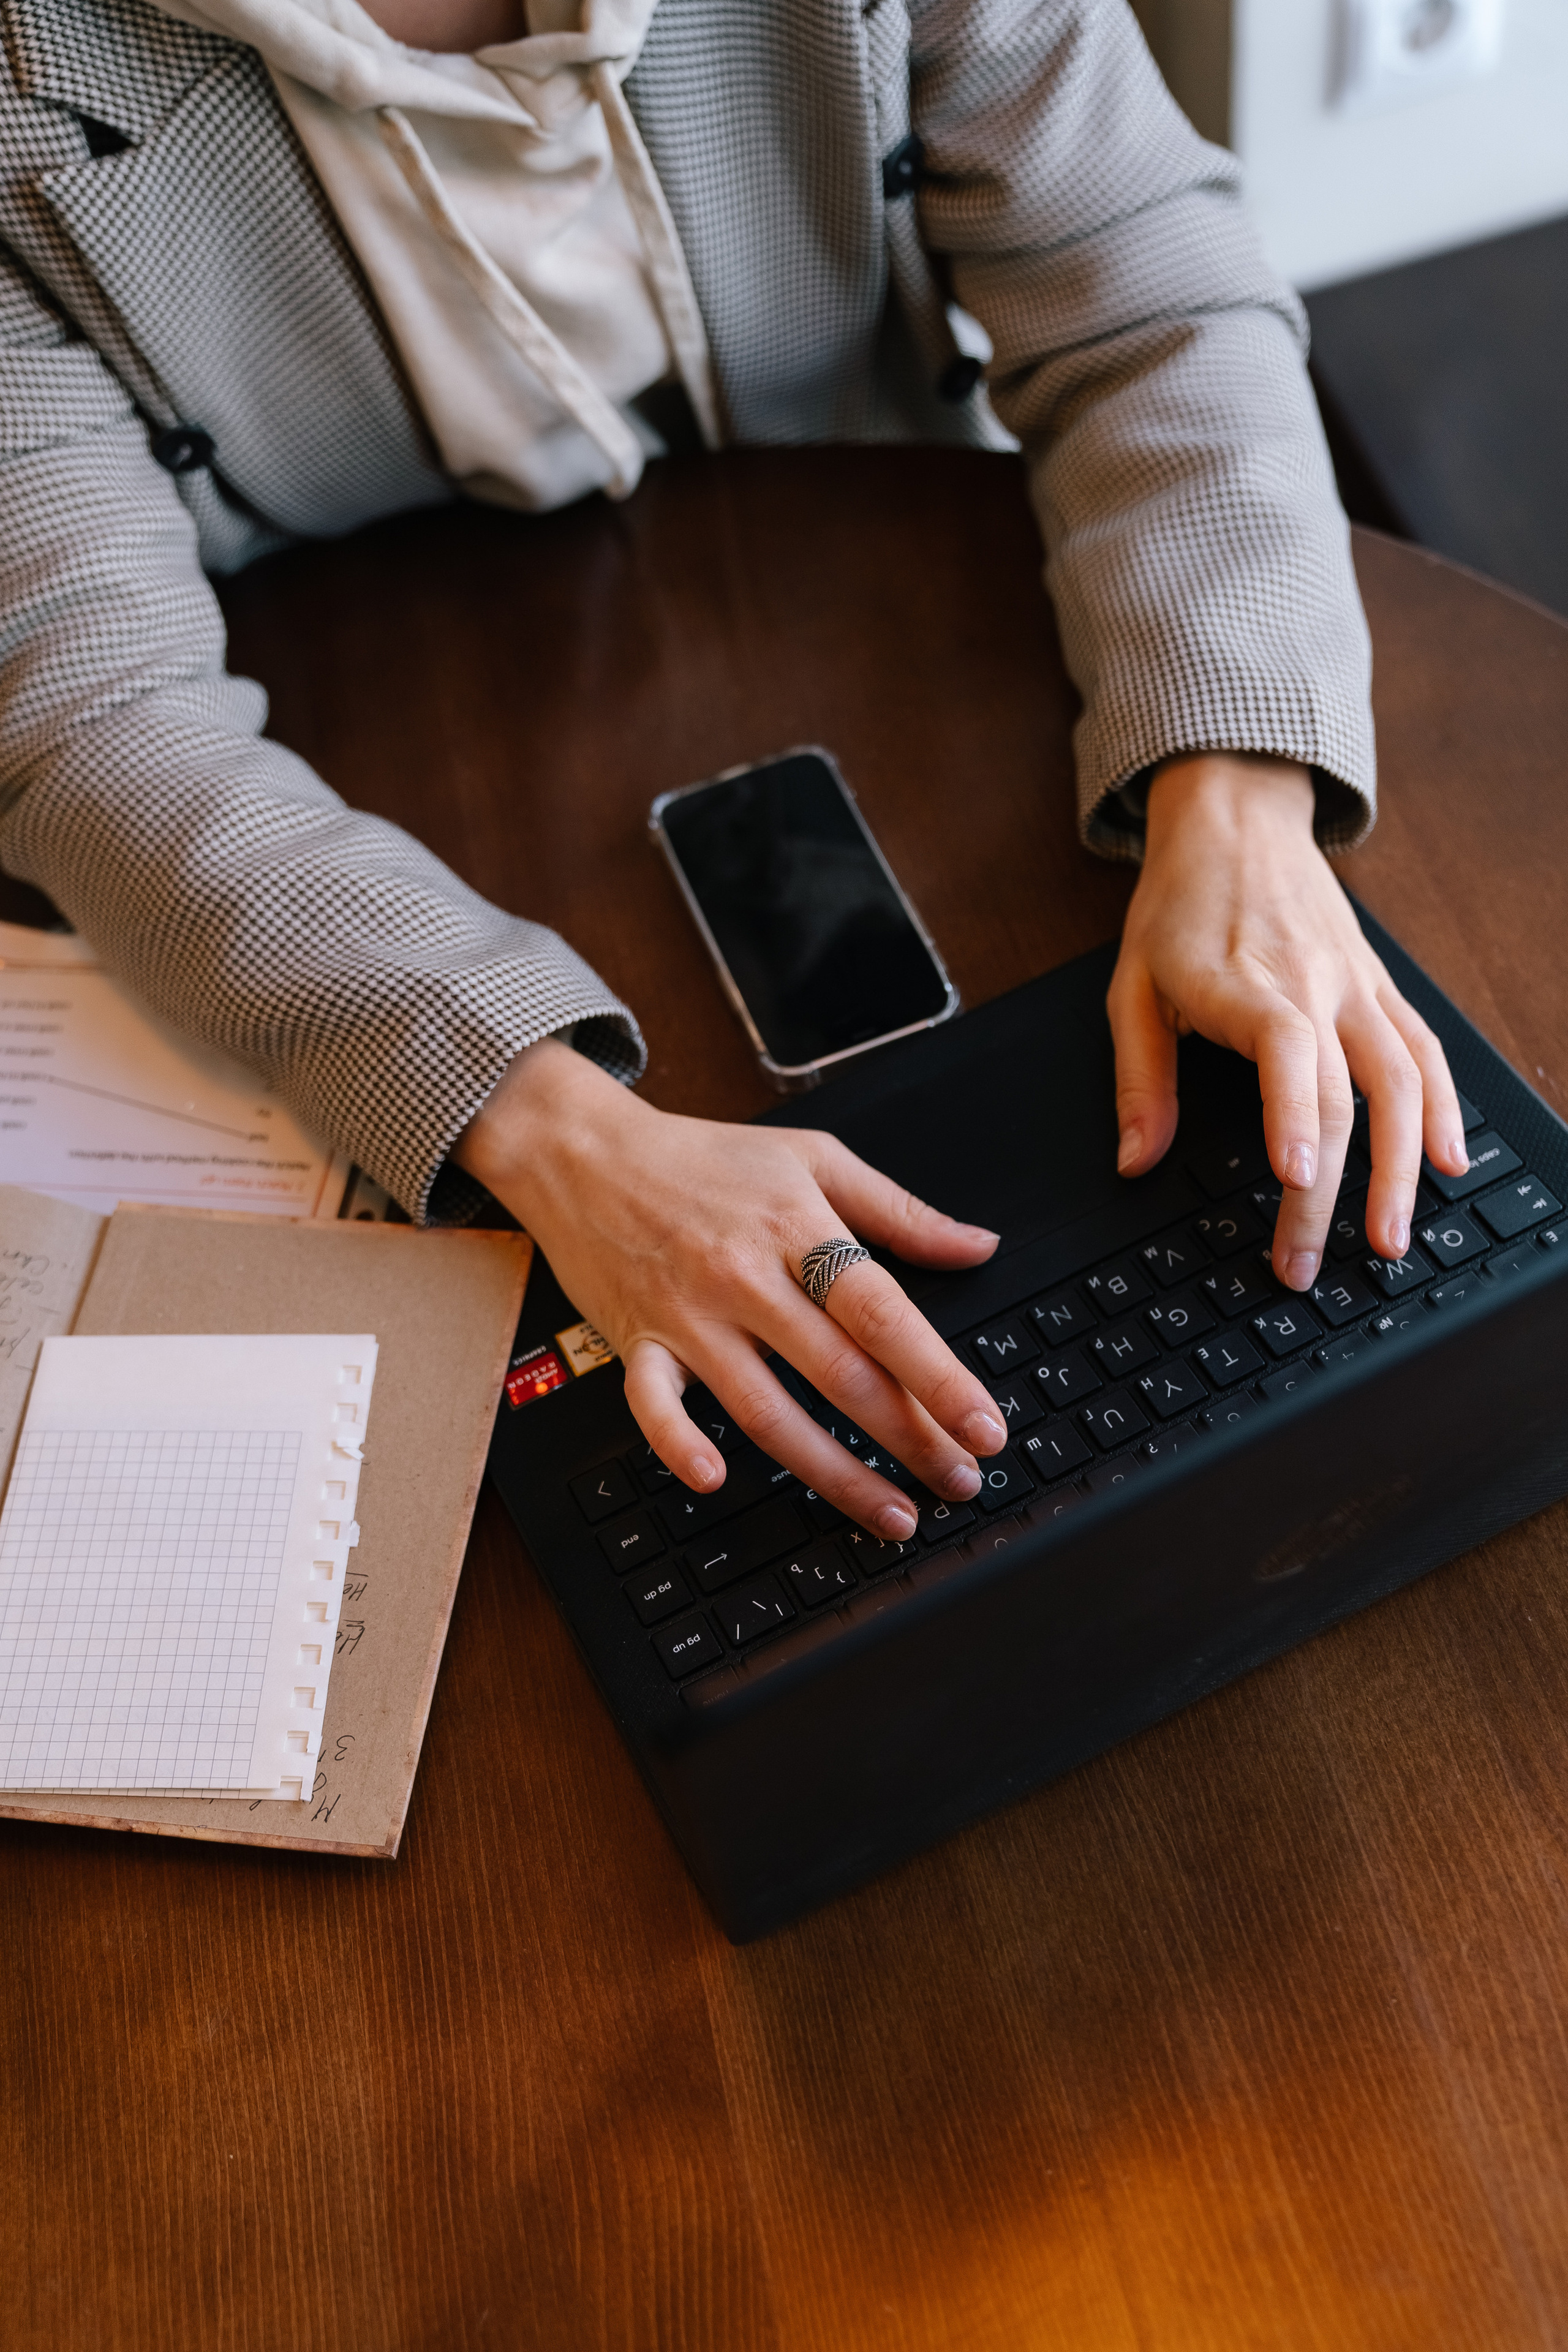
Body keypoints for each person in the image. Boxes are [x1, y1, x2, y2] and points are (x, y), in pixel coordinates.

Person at [0, 0, 1466, 1539]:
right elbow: (91, 712)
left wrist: (1233, 794)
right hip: (358, 757)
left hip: (906, 629)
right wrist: (550, 1130)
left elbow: (1146, 299)